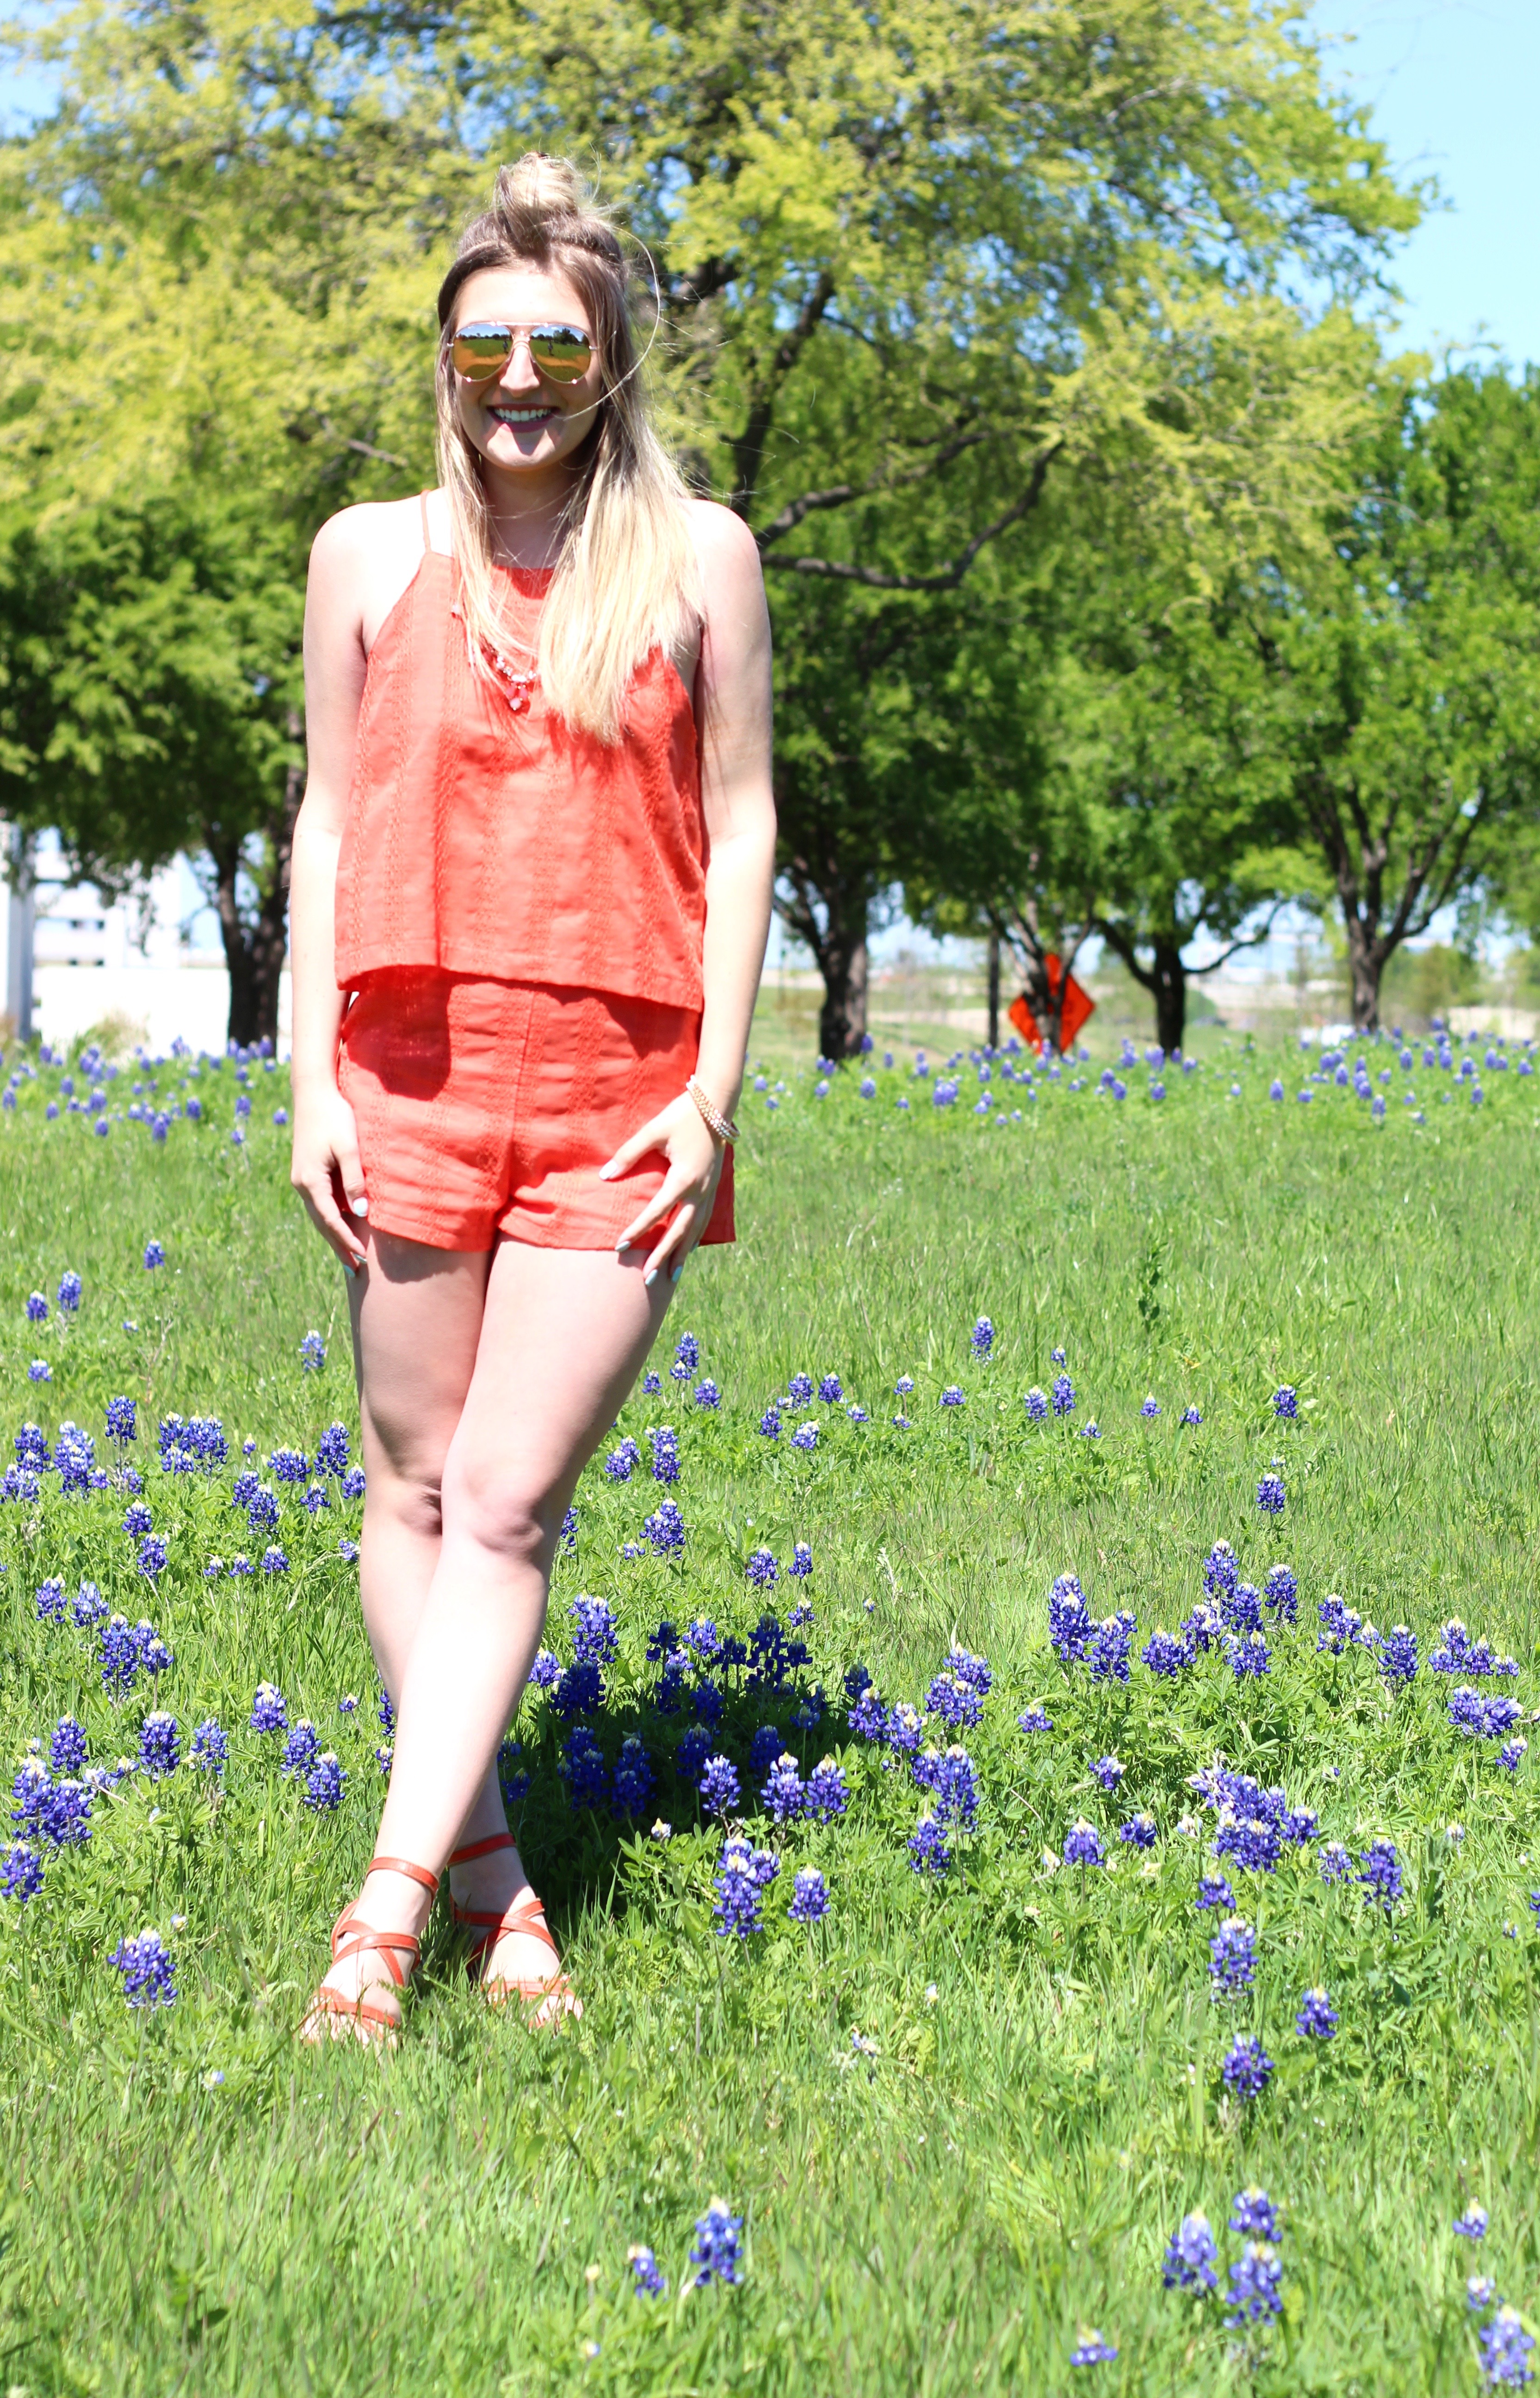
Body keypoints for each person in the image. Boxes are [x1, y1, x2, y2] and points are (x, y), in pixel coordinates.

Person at [289, 153, 774, 2040]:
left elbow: (738, 831)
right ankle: (500, 1877)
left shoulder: (698, 556)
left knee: (502, 1498)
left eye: (555, 348)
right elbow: (327, 824)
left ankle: (388, 1912)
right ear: (445, 353)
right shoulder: (363, 554)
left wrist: (716, 1087)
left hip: (621, 1085)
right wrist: (306, 1076)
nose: (516, 377)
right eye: (484, 340)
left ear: (609, 366)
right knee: (408, 1484)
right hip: (402, 1068)